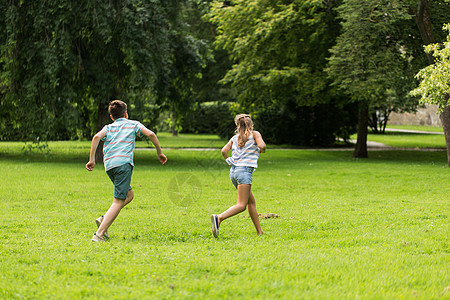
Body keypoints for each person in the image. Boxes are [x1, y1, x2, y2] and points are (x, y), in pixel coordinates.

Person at [86, 100, 167, 242]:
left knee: (129, 194)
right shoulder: (133, 124)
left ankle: (104, 219)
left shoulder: (109, 127)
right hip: (123, 165)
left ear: (112, 117)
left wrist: (92, 160)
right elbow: (151, 134)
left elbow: (96, 137)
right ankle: (99, 234)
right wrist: (159, 153)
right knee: (118, 201)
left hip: (109, 166)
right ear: (126, 113)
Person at [211, 114, 266, 238]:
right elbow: (262, 146)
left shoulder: (234, 138)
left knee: (251, 202)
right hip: (244, 172)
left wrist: (230, 162)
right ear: (251, 124)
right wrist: (262, 148)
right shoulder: (255, 134)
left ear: (237, 125)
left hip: (234, 173)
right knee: (241, 205)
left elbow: (224, 151)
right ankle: (219, 218)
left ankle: (259, 232)